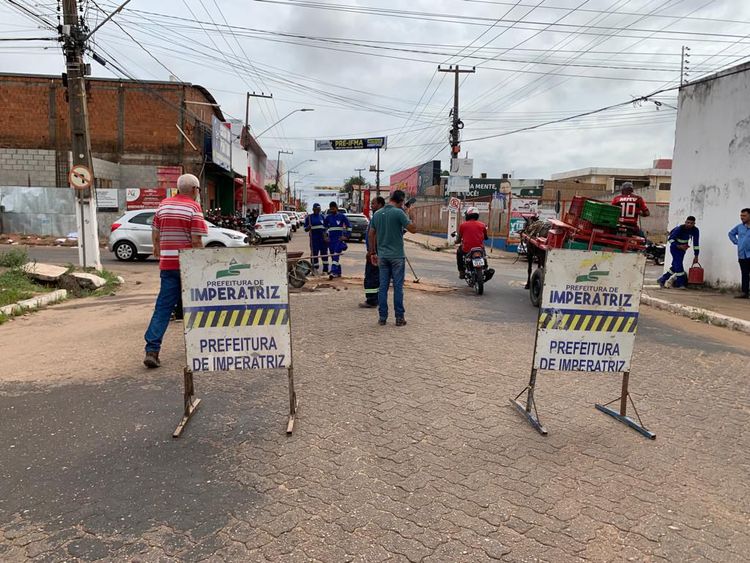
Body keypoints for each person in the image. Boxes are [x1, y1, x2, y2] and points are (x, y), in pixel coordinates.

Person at [143, 173, 208, 368]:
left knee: (163, 308)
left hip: (168, 265)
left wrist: (158, 250)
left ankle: (152, 350)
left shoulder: (163, 205)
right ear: (195, 190)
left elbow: (155, 231)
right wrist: (201, 264)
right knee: (196, 306)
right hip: (187, 266)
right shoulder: (193, 207)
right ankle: (200, 347)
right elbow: (196, 240)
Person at [368, 190, 417, 326]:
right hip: (397, 257)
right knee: (397, 288)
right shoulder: (399, 213)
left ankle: (382, 317)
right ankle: (399, 318)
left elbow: (371, 234)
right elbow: (413, 229)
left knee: (383, 287)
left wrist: (372, 253)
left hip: (382, 257)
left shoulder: (377, 214)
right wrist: (411, 215)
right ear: (401, 201)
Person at [658, 216, 700, 290]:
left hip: (683, 249)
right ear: (685, 222)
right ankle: (681, 284)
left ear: (694, 224)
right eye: (688, 222)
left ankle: (662, 279)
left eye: (691, 223)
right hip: (675, 248)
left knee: (675, 266)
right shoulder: (679, 229)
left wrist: (696, 255)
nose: (689, 224)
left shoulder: (695, 230)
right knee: (679, 264)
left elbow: (696, 244)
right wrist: (679, 246)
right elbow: (670, 239)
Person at [454, 206, 494, 282]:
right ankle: (485, 268)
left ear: (468, 215)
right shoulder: (482, 225)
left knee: (459, 252)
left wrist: (456, 242)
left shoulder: (463, 225)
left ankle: (461, 271)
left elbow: (459, 239)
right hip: (479, 249)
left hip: (467, 249)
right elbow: (486, 237)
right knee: (483, 254)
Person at [360, 196, 385, 308]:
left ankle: (371, 300)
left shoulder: (378, 217)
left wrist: (371, 251)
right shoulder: (380, 216)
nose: (371, 206)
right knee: (376, 275)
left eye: (373, 203)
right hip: (377, 251)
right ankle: (376, 298)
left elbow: (374, 235)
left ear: (380, 204)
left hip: (374, 252)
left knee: (371, 275)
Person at [324, 201, 351, 279]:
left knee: (336, 256)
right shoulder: (328, 217)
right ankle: (338, 272)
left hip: (339, 240)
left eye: (333, 209)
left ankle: (333, 272)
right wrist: (325, 237)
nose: (332, 211)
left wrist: (346, 236)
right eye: (331, 209)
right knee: (333, 257)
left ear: (336, 208)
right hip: (331, 240)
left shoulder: (342, 216)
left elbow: (349, 226)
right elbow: (324, 228)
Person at [728, 207, 750, 298]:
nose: (742, 217)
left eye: (744, 216)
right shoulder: (740, 227)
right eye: (741, 216)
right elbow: (731, 233)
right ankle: (744, 292)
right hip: (742, 255)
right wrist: (737, 242)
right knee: (744, 274)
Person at [304, 203, 328, 274]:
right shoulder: (309, 218)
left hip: (322, 239)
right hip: (314, 239)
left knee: (324, 254)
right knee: (314, 254)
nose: (317, 211)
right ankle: (315, 269)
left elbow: (326, 228)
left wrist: (326, 237)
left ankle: (325, 270)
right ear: (313, 209)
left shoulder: (322, 217)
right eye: (316, 209)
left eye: (318, 209)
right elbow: (305, 229)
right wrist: (308, 227)